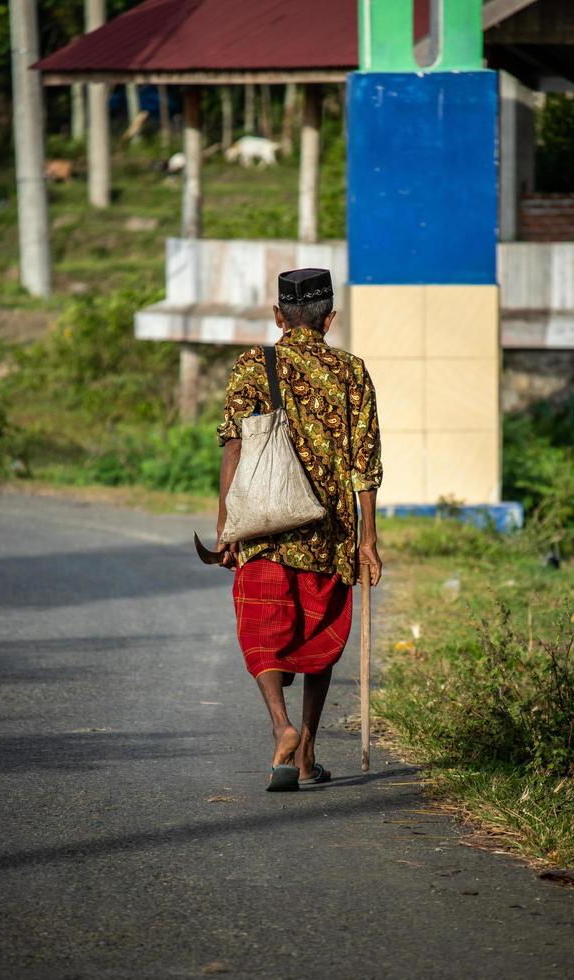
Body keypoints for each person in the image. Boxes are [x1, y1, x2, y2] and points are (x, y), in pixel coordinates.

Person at [216, 268, 383, 791]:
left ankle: (281, 729)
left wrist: (226, 525)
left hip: (264, 529)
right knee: (317, 636)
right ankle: (307, 749)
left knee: (262, 631)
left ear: (277, 317)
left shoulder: (251, 365)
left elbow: (234, 445)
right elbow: (365, 465)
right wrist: (368, 540)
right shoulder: (352, 372)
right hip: (329, 535)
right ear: (329, 319)